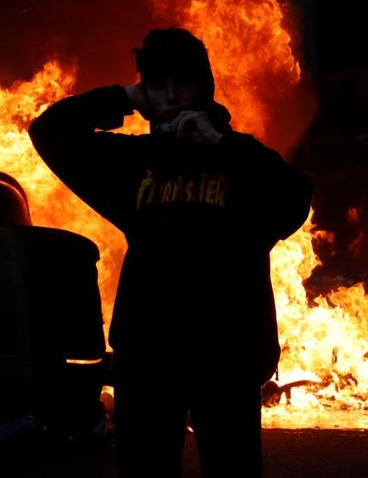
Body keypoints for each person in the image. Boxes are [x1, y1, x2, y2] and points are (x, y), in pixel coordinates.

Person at [27, 26, 314, 477]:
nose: (173, 95)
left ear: (204, 85)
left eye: (183, 82)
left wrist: (222, 144)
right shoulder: (131, 163)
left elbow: (295, 196)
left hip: (228, 356)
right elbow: (50, 131)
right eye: (159, 85)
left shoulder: (241, 161)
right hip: (148, 359)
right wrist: (124, 97)